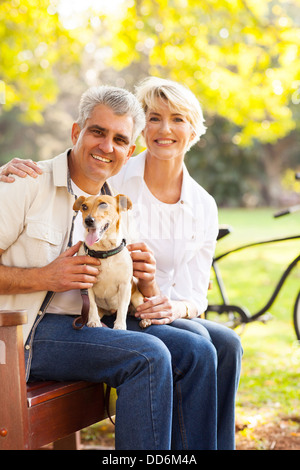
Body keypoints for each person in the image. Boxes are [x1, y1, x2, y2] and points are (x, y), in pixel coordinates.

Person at [0, 79, 242, 450]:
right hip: (25, 332)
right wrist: (43, 276)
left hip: (90, 322)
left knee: (201, 347)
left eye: (119, 140)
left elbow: (143, 277)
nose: (106, 147)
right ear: (76, 131)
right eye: (97, 132)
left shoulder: (113, 202)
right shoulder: (28, 182)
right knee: (150, 355)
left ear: (129, 151)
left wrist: (148, 286)